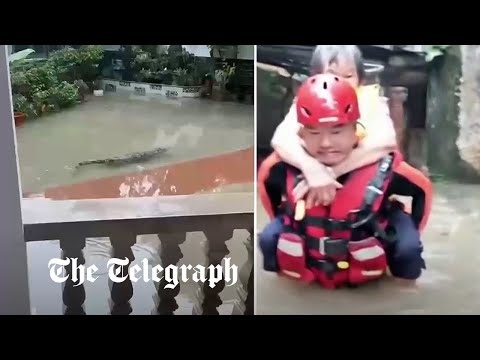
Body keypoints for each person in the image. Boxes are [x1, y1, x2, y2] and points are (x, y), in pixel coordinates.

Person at [258, 73, 431, 288]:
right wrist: (289, 219)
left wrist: (410, 231)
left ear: (355, 131)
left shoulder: (386, 167)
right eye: (313, 132)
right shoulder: (281, 166)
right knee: (269, 238)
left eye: (337, 131)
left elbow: (423, 190)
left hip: (366, 243)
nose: (326, 143)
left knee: (408, 249)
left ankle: (402, 288)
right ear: (300, 135)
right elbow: (266, 188)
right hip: (310, 246)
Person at [271, 45, 397, 209]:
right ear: (314, 78)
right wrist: (312, 169)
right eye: (332, 75)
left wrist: (330, 174)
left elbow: (386, 141)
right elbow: (281, 139)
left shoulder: (372, 102)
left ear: (360, 80)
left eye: (349, 76)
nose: (341, 82)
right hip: (314, 175)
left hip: (361, 187)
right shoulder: (306, 100)